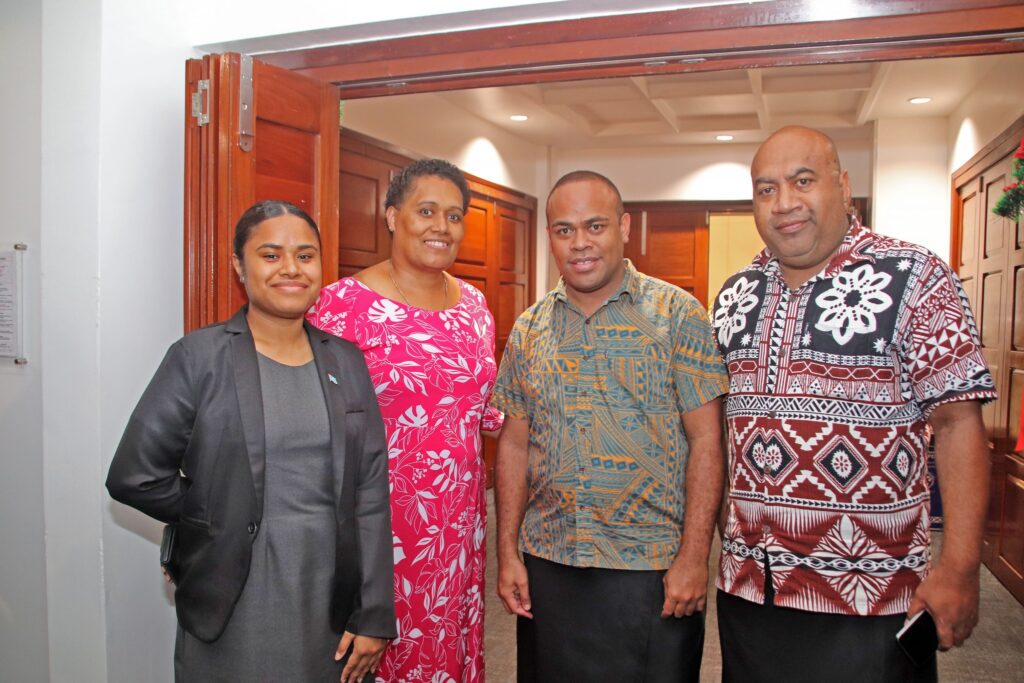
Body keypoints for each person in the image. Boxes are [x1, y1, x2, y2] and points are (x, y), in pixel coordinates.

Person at [711, 126, 997, 682]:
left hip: (874, 595)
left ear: (843, 187)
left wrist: (961, 567)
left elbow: (958, 424)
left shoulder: (915, 277)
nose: (783, 203)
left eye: (802, 181)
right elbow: (722, 427)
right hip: (751, 591)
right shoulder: (736, 293)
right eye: (766, 189)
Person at [106, 200, 395, 683]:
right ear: (240, 267)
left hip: (330, 592)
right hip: (234, 593)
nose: (291, 268)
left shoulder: (346, 360)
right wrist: (213, 516)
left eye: (305, 255)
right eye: (271, 255)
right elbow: (135, 477)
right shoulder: (199, 357)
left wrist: (375, 613)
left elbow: (369, 491)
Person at [491, 170, 729, 682]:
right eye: (564, 229)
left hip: (650, 569)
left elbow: (707, 439)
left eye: (594, 226)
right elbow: (514, 445)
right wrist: (507, 552)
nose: (580, 243)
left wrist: (695, 557)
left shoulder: (678, 316)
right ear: (550, 236)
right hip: (551, 561)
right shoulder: (529, 330)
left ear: (623, 227)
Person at [308, 159, 502, 683]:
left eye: (454, 216)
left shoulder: (475, 306)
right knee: (383, 656)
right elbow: (312, 427)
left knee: (448, 650)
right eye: (426, 211)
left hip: (459, 526)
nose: (442, 226)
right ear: (393, 216)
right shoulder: (341, 307)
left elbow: (484, 412)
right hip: (382, 527)